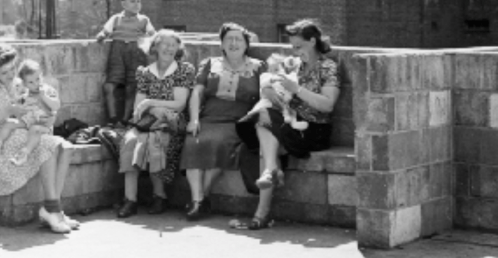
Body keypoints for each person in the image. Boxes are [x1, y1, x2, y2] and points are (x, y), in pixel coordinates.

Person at [235, 20, 340, 230]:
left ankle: (262, 210)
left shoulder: (328, 67)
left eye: (299, 46)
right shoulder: (293, 64)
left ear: (313, 41)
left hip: (313, 128)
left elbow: (327, 105)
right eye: (292, 46)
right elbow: (275, 89)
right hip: (288, 121)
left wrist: (297, 89)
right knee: (261, 119)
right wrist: (270, 92)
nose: (295, 51)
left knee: (265, 138)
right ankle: (272, 173)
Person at [0, 44, 79, 234]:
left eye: (13, 68)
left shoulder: (21, 81)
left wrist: (46, 115)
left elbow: (39, 105)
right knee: (51, 144)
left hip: (24, 129)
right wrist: (9, 110)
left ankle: (54, 209)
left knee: (66, 147)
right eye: (5, 72)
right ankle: (54, 211)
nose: (11, 74)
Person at [181, 23, 264, 220]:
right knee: (194, 143)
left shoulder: (258, 66)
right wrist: (193, 119)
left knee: (219, 146)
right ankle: (198, 201)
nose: (233, 43)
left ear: (246, 44)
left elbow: (264, 95)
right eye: (229, 39)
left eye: (238, 39)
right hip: (209, 118)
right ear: (222, 44)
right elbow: (197, 92)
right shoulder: (210, 64)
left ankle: (200, 199)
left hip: (238, 121)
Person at [117, 29, 195, 218]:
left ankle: (159, 196)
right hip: (148, 119)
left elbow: (179, 103)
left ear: (178, 48)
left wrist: (151, 103)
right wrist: (152, 109)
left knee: (156, 139)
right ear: (155, 46)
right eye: (165, 44)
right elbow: (138, 105)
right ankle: (130, 200)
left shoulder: (183, 70)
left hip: (174, 120)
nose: (169, 48)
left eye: (173, 45)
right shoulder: (145, 72)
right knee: (130, 140)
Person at [96, 0, 157, 125]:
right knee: (109, 86)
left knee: (132, 87)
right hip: (117, 53)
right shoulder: (116, 19)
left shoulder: (144, 20)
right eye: (133, 1)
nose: (137, 4)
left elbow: (154, 35)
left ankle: (125, 119)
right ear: (123, 4)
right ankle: (112, 118)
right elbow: (105, 32)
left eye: (139, 1)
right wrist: (101, 35)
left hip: (136, 53)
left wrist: (153, 43)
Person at [0, 59, 59, 166]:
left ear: (41, 75)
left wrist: (44, 97)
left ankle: (23, 155)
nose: (36, 84)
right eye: (31, 82)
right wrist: (19, 102)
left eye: (38, 79)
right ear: (24, 83)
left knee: (34, 129)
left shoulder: (47, 91)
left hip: (44, 125)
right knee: (9, 123)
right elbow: (18, 110)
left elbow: (56, 106)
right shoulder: (26, 94)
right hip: (28, 122)